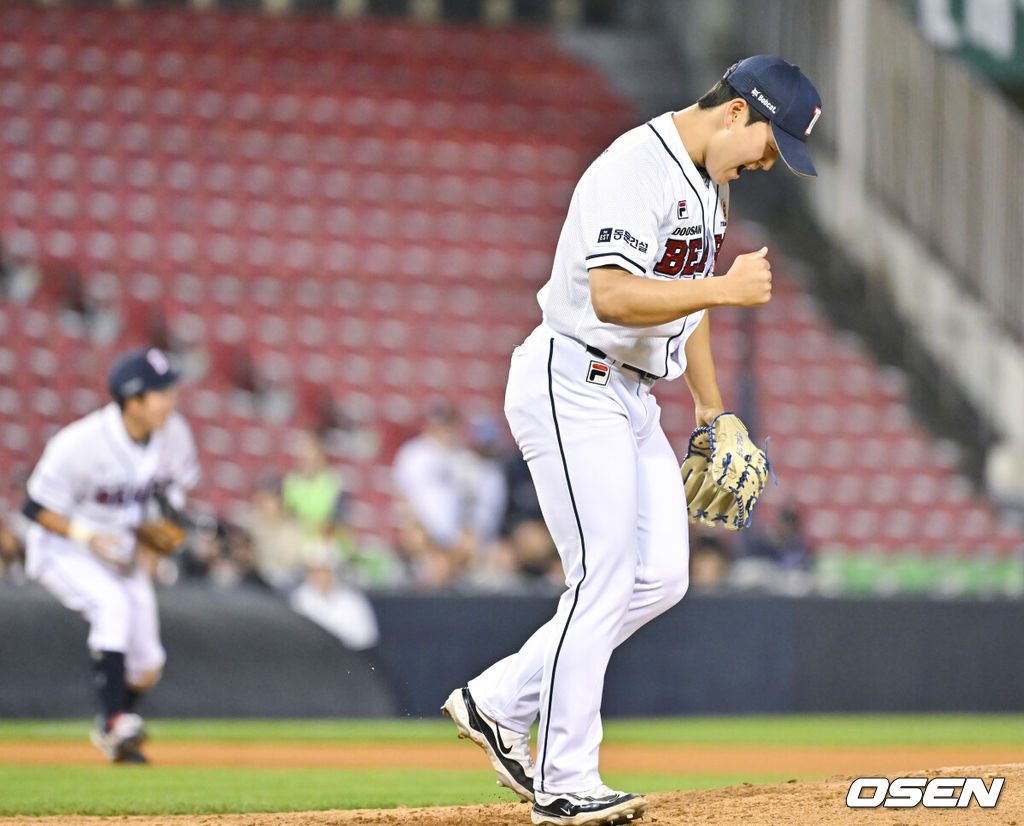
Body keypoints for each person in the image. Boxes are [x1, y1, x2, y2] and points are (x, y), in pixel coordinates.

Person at [442, 55, 822, 826]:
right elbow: (614, 295)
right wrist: (722, 285)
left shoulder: (706, 185)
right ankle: (564, 780)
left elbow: (687, 311)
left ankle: (498, 701)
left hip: (631, 394)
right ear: (734, 115)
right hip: (572, 377)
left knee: (660, 579)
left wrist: (716, 414)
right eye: (769, 145)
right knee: (604, 577)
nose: (766, 163)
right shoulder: (633, 167)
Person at [20, 347, 200, 764]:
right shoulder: (80, 443)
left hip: (123, 550)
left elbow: (169, 498)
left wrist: (159, 536)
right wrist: (87, 534)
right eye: (161, 392)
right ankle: (115, 720)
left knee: (149, 664)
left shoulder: (174, 433)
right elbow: (33, 507)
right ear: (132, 400)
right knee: (111, 605)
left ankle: (115, 730)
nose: (171, 399)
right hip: (65, 546)